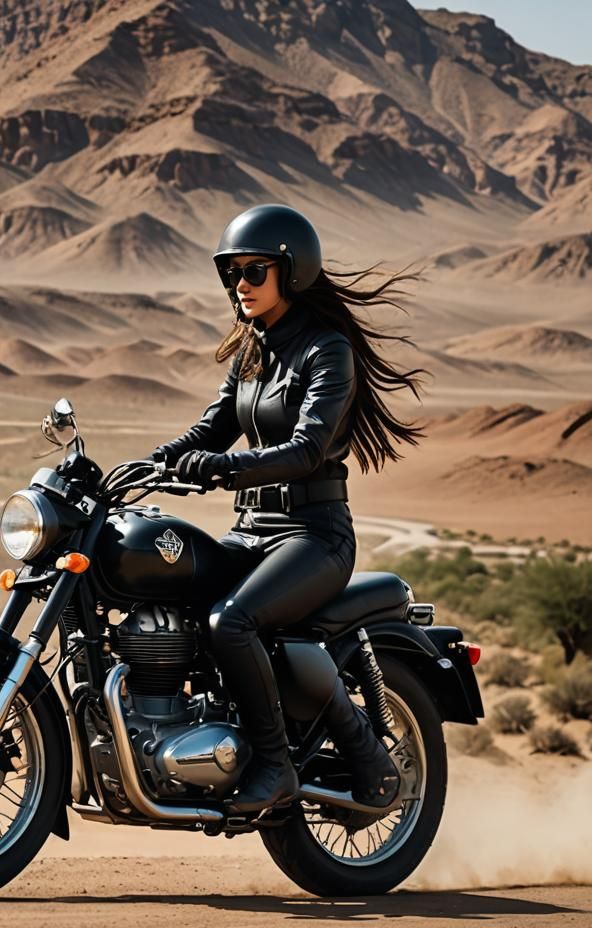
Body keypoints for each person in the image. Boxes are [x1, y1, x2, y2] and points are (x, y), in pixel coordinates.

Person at [148, 204, 426, 814]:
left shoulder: (328, 352)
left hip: (314, 537)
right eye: (231, 273)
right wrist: (149, 465)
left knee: (233, 623)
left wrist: (223, 470)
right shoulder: (253, 351)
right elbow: (211, 428)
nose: (240, 285)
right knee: (175, 601)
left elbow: (305, 450)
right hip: (252, 529)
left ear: (293, 271)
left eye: (254, 271)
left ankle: (275, 765)